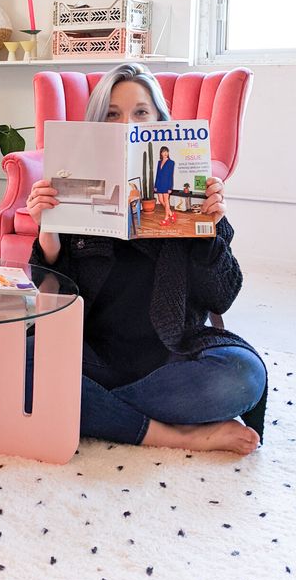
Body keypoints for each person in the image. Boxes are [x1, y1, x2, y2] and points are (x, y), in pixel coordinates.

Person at [25, 62, 267, 456]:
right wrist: (47, 230)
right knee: (21, 362)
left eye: (140, 113)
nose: (126, 125)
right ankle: (174, 433)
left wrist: (207, 232)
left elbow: (223, 296)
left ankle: (93, 407)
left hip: (171, 357)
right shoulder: (69, 188)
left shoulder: (195, 187)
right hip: (93, 354)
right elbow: (50, 301)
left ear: (158, 120)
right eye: (113, 115)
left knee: (243, 376)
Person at [154, 145, 175, 224]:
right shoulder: (159, 162)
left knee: (166, 201)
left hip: (166, 184)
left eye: (166, 151)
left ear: (168, 153)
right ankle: (171, 213)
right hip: (159, 184)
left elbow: (170, 175)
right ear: (161, 153)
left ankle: (166, 218)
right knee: (160, 200)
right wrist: (155, 185)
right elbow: (157, 174)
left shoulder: (171, 162)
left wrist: (170, 187)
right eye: (163, 152)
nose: (165, 153)